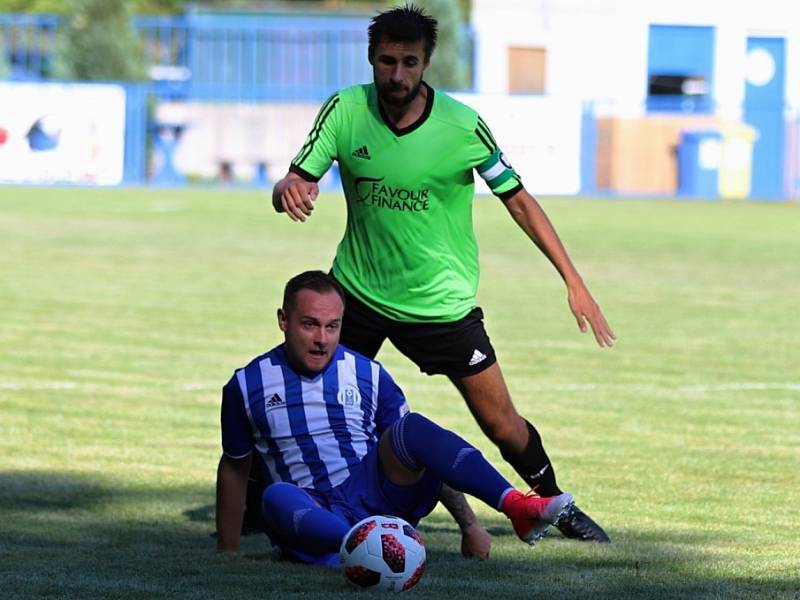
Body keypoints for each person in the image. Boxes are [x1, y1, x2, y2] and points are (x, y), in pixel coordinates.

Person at [271, 5, 616, 543]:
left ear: (427, 62)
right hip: (356, 296)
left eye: (410, 62)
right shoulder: (344, 111)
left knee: (502, 424)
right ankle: (270, 502)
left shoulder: (460, 125)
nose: (398, 75)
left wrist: (573, 280)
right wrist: (287, 189)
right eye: (387, 61)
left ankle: (552, 505)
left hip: (441, 305)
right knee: (304, 396)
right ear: (371, 58)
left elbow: (519, 201)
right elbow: (292, 180)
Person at [215, 270, 574, 563]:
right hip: (311, 510)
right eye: (310, 324)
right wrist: (227, 552)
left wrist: (470, 526)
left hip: (373, 494)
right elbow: (234, 468)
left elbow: (428, 456)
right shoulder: (246, 385)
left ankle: (517, 507)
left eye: (332, 326)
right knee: (275, 495)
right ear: (283, 320)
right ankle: (364, 545)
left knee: (411, 428)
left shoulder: (367, 373)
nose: (322, 339)